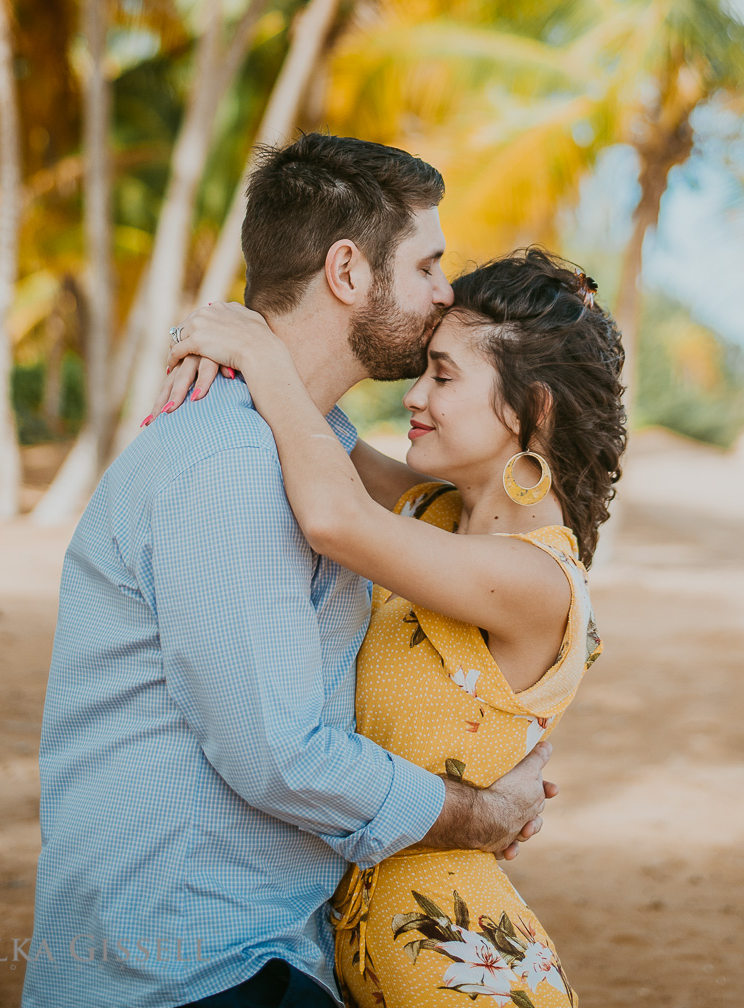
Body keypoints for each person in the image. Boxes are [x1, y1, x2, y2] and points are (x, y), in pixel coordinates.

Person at [23, 135, 555, 1008]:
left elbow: (407, 489)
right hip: (187, 972)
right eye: (427, 264)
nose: (443, 290)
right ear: (348, 272)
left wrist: (251, 350)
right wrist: (484, 813)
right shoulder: (233, 461)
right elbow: (279, 757)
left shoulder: (303, 445)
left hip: (255, 951)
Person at [161, 247, 626, 1008]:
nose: (415, 395)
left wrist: (256, 352)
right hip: (364, 963)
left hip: (466, 976)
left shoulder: (535, 578)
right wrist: (231, 331)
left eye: (443, 376)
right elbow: (320, 440)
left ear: (532, 410)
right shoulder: (432, 512)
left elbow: (333, 516)